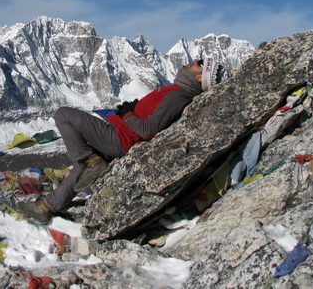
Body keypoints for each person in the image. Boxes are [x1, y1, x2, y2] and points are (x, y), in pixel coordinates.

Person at [15, 57, 227, 224]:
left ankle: (91, 163)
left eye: (200, 64)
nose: (194, 61)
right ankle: (45, 208)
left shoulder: (177, 96)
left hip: (119, 137)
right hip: (120, 136)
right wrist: (136, 108)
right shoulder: (177, 92)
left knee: (63, 115)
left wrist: (127, 114)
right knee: (83, 167)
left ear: (201, 78)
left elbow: (148, 129)